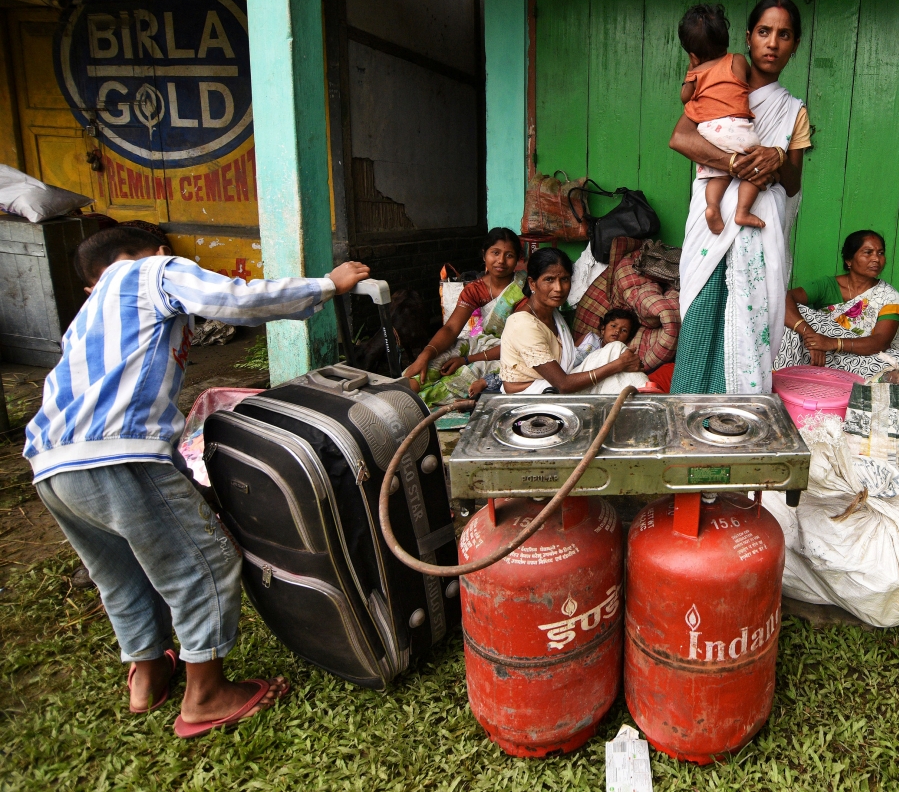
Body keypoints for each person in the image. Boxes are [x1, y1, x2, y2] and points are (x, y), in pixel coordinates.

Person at [24, 226, 371, 738]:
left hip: (51, 464)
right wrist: (327, 286)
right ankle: (206, 695)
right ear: (162, 252)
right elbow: (234, 299)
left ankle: (148, 673)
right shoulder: (151, 271)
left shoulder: (87, 313)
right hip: (118, 454)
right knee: (203, 562)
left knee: (120, 573)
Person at [669, 0, 813, 394]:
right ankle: (688, 417)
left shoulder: (792, 111)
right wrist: (732, 163)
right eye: (764, 32)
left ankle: (741, 421)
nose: (773, 43)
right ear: (748, 37)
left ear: (795, 45)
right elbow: (681, 137)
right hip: (713, 228)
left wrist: (777, 155)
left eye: (784, 35)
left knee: (748, 326)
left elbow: (793, 183)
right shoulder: (723, 81)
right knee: (703, 316)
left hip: (757, 229)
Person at [774, 230, 899, 377]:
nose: (876, 259)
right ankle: (783, 380)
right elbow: (783, 298)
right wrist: (812, 337)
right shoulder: (828, 286)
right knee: (790, 316)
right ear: (849, 260)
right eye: (868, 253)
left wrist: (832, 343)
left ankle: (826, 377)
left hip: (859, 359)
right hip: (816, 353)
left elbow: (880, 342)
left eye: (880, 253)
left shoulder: (889, 296)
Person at [500, 248, 647, 394]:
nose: (558, 288)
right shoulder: (522, 324)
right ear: (532, 283)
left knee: (615, 349)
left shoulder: (553, 314)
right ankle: (648, 396)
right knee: (617, 359)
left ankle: (645, 394)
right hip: (535, 395)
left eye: (564, 279)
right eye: (549, 279)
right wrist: (619, 365)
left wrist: (620, 364)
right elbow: (563, 385)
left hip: (558, 383)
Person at [401, 227, 524, 401]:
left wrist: (467, 360)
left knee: (465, 374)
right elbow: (451, 328)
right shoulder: (475, 289)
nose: (501, 261)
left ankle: (415, 405)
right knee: (433, 364)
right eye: (495, 253)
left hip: (512, 352)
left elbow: (520, 343)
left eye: (509, 255)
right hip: (481, 344)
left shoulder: (524, 288)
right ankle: (395, 396)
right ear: (484, 255)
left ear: (518, 258)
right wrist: (425, 354)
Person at [678, 3, 764, 235]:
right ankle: (743, 210)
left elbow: (685, 98)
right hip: (735, 127)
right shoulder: (736, 61)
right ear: (725, 41)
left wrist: (692, 68)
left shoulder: (696, 72)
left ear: (693, 54)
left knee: (717, 175)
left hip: (707, 131)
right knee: (755, 167)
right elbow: (748, 78)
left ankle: (712, 206)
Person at [572, 308, 641, 369]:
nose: (617, 330)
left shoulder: (618, 355)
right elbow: (570, 353)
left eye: (624, 330)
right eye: (613, 326)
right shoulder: (589, 338)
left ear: (628, 338)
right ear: (603, 329)